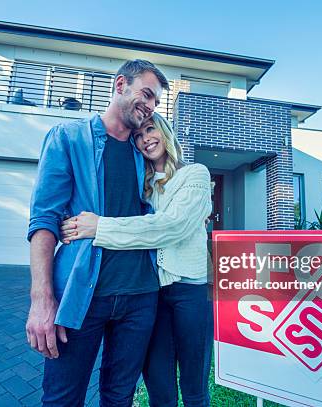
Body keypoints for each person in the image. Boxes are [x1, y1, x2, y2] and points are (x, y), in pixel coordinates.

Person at [25, 59, 170, 407]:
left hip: (140, 296)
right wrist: (41, 299)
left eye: (156, 103)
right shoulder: (68, 138)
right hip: (81, 295)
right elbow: (44, 220)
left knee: (119, 398)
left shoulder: (146, 152)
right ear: (120, 85)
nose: (150, 107)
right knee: (62, 397)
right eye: (147, 95)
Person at [61, 112, 213, 406]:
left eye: (150, 130)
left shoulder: (195, 173)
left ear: (165, 132)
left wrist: (99, 227)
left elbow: (171, 227)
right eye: (139, 136)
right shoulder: (143, 185)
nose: (146, 139)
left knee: (194, 387)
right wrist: (69, 224)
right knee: (159, 385)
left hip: (191, 291)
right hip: (152, 293)